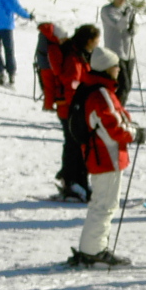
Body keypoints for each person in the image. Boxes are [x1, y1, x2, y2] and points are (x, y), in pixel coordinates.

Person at [68, 47, 143, 267]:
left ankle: (92, 247)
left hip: (100, 155)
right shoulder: (100, 93)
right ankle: (94, 251)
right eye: (116, 66)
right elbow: (115, 127)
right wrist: (136, 134)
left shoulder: (96, 88)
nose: (119, 70)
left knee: (102, 202)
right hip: (106, 156)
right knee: (105, 204)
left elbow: (117, 118)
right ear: (108, 68)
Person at [55, 24, 100, 202]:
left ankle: (73, 180)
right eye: (96, 41)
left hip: (72, 110)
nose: (97, 44)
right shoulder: (74, 58)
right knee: (77, 147)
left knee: (74, 145)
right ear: (88, 41)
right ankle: (74, 182)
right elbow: (71, 84)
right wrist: (80, 107)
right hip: (71, 111)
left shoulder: (78, 53)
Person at [99, 0, 138, 104]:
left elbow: (134, 26)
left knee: (128, 85)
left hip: (128, 52)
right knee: (122, 84)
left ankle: (119, 110)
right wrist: (127, 16)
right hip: (114, 51)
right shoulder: (107, 10)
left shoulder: (127, 10)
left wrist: (134, 28)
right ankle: (114, 110)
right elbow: (119, 25)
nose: (123, 1)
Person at [36, 22, 69, 112]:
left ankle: (48, 105)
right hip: (47, 66)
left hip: (43, 63)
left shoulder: (45, 34)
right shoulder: (52, 41)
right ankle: (48, 106)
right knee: (49, 87)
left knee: (48, 87)